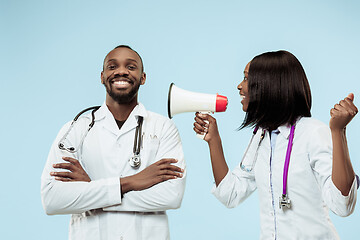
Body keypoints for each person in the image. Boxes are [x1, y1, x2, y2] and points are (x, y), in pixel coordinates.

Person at [193, 50, 358, 239]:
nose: (239, 86)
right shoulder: (261, 135)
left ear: (270, 86)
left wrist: (338, 132)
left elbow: (343, 205)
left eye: (247, 79)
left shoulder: (313, 132)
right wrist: (214, 140)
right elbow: (231, 194)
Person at [41, 45, 186, 240]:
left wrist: (91, 188)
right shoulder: (75, 130)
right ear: (102, 76)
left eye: (131, 67)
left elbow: (171, 196)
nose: (121, 71)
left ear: (143, 78)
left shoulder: (163, 128)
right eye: (112, 66)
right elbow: (52, 199)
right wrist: (131, 182)